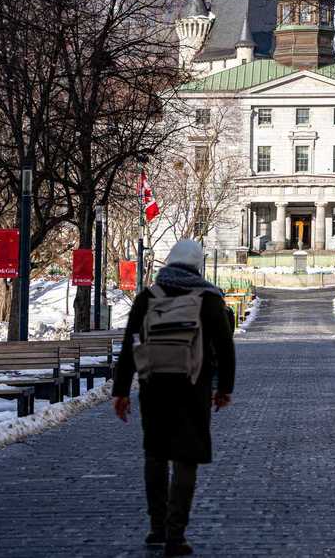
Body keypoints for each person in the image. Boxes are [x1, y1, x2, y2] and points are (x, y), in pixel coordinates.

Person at [112, 239, 236, 557]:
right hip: (193, 384)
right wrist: (224, 389)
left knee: (155, 454)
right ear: (197, 264)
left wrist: (121, 391)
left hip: (153, 384)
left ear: (169, 262)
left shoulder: (148, 297)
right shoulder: (208, 298)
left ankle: (157, 527)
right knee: (186, 457)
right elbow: (225, 347)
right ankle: (176, 534)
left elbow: (129, 346)